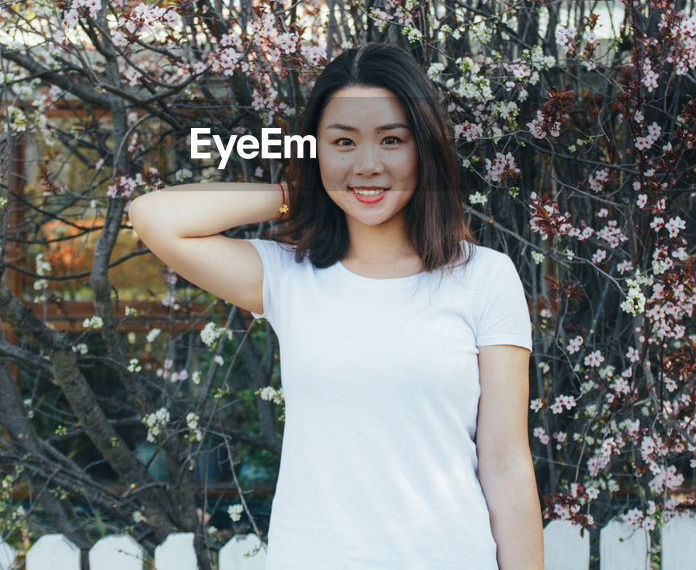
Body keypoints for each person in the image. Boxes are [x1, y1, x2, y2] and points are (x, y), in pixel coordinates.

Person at [127, 43, 543, 569]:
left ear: (425, 150)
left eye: (392, 140)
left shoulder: (484, 278)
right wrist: (297, 189)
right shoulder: (288, 275)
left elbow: (506, 463)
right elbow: (153, 217)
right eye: (343, 141)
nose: (368, 165)